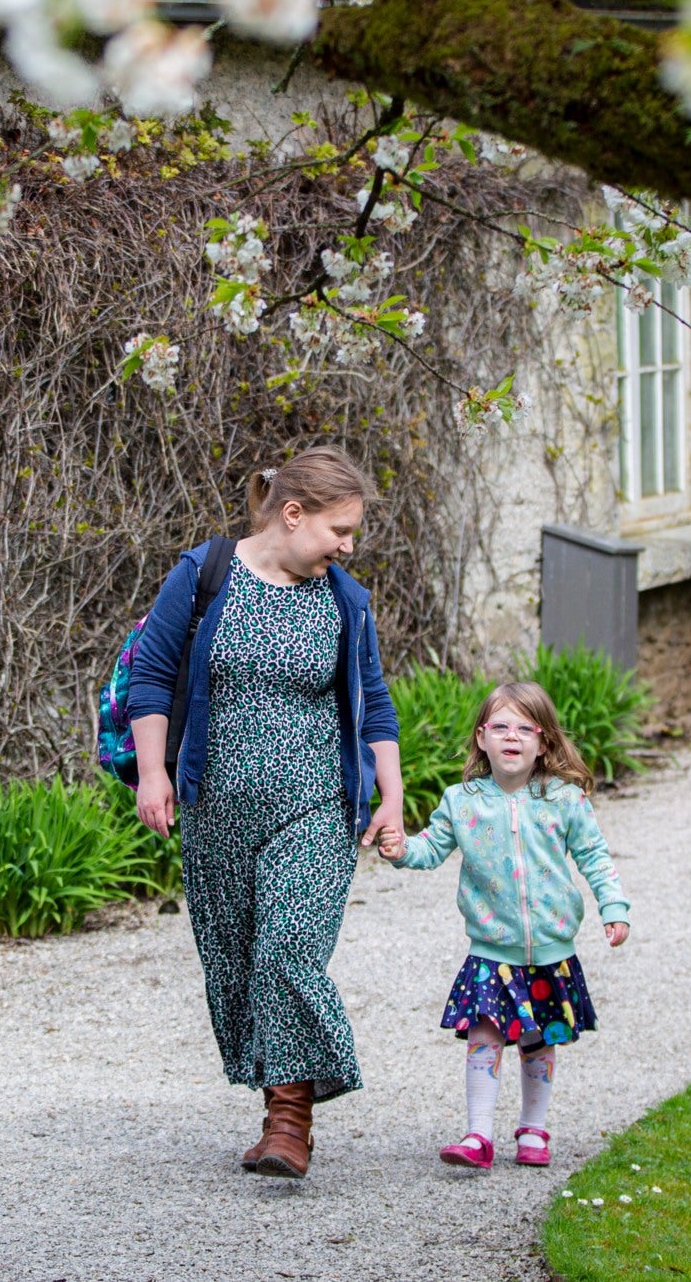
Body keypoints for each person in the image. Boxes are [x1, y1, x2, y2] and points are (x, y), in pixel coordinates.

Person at [125, 445, 405, 1179]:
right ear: (292, 514)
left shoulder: (345, 599)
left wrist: (393, 796)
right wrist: (152, 773)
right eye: (339, 530)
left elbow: (374, 702)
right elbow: (151, 677)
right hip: (216, 809)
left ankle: (291, 1123)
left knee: (288, 950)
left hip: (316, 806)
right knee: (239, 965)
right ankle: (276, 1108)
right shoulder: (204, 575)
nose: (347, 547)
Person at [381, 679, 630, 1170]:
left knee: (539, 1041)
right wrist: (401, 850)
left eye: (524, 728)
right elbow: (431, 848)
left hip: (550, 951)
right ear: (481, 738)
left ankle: (533, 1129)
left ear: (544, 743)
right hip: (491, 950)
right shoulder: (462, 801)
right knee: (485, 1035)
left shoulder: (565, 800)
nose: (511, 736)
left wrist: (614, 908)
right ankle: (478, 1135)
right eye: (500, 727)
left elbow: (595, 859)